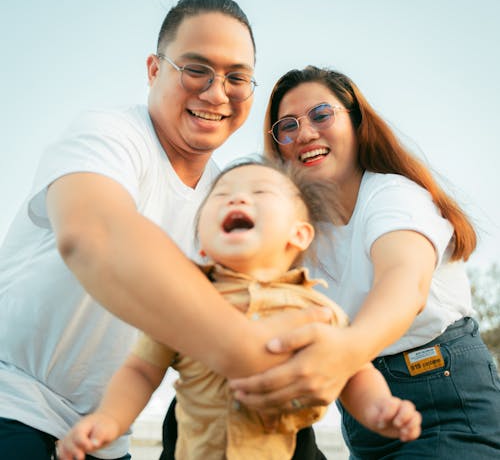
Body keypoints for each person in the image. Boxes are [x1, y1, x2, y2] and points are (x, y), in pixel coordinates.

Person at [0, 0, 331, 460]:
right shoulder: (110, 135)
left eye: (236, 77)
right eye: (197, 70)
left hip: (107, 433)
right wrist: (242, 347)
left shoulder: (227, 195)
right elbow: (92, 235)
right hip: (14, 401)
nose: (217, 93)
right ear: (155, 70)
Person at [58, 161, 422, 460]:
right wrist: (109, 419)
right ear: (201, 243)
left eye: (260, 193)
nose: (238, 200)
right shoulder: (186, 300)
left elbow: (353, 370)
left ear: (299, 235)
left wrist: (379, 408)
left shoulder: (316, 308)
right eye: (222, 196)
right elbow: (140, 370)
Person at [227, 66, 500, 458]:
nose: (304, 133)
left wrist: (344, 349)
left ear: (355, 121)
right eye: (287, 126)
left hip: (443, 395)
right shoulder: (299, 233)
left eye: (321, 115)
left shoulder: (392, 195)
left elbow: (404, 283)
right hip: (363, 412)